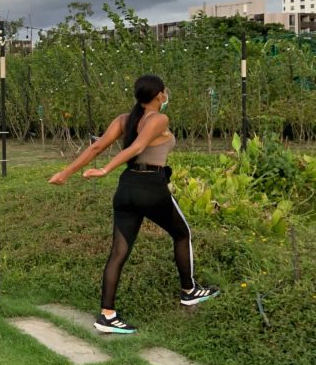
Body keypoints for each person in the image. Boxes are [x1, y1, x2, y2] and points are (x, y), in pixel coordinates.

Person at [48, 74, 219, 334]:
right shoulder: (159, 118)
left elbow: (95, 148)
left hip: (126, 187)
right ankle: (189, 290)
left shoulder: (124, 120)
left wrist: (65, 173)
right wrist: (105, 170)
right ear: (159, 95)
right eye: (165, 91)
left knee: (119, 251)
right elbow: (138, 145)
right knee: (182, 234)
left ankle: (107, 315)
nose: (166, 95)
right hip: (150, 187)